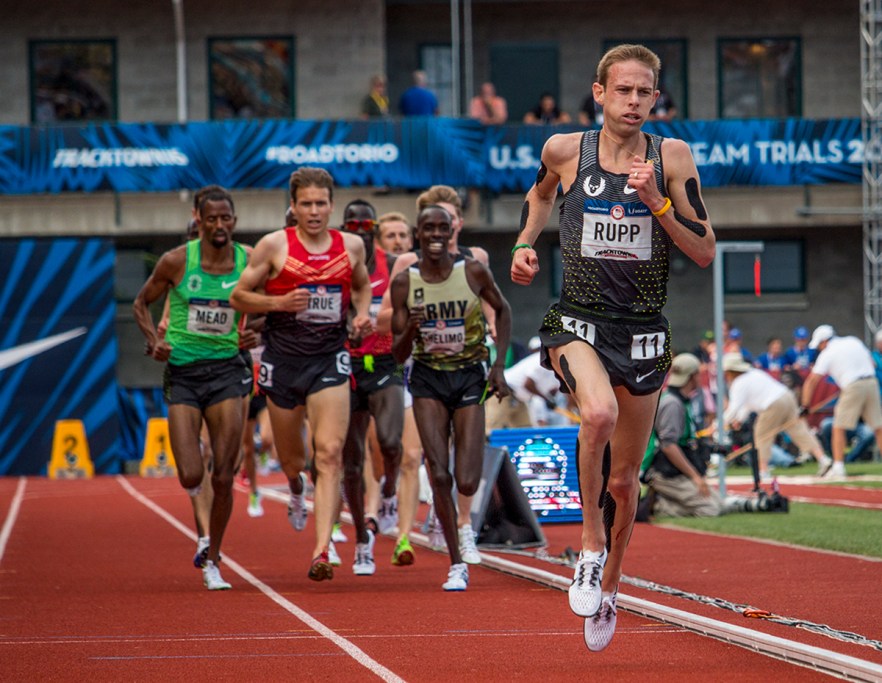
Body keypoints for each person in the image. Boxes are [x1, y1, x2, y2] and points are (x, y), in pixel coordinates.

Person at [510, 43, 716, 652]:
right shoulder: (565, 150)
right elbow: (543, 193)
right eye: (621, 90)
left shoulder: (671, 157)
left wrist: (656, 202)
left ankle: (613, 585)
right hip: (578, 320)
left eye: (643, 92)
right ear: (599, 93)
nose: (633, 101)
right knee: (595, 413)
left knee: (626, 480)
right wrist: (525, 241)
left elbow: (705, 250)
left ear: (656, 98)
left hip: (644, 331)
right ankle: (590, 545)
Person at [230, 167, 373, 581]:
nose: (314, 211)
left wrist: (361, 314)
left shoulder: (351, 246)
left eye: (321, 203)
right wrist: (279, 305)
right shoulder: (274, 246)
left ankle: (321, 548)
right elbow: (239, 296)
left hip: (329, 359)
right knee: (293, 459)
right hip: (282, 363)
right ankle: (295, 487)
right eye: (306, 204)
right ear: (292, 206)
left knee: (329, 455)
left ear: (331, 205)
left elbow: (361, 286)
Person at [133, 186, 254, 591]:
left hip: (227, 373)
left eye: (226, 219)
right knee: (189, 473)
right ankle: (203, 529)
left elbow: (271, 304)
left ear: (234, 221)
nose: (220, 226)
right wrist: (154, 342)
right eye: (212, 219)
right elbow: (139, 303)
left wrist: (253, 331)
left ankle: (213, 556)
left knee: (224, 474)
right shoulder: (177, 261)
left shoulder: (248, 261)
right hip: (183, 372)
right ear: (198, 220)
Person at [390, 204, 512, 591]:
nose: (437, 235)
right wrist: (410, 329)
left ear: (452, 231)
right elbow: (396, 353)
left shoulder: (472, 269)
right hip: (427, 378)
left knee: (468, 479)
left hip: (470, 376)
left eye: (444, 227)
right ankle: (457, 563)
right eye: (429, 228)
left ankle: (459, 528)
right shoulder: (405, 281)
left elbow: (503, 310)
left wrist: (498, 368)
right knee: (438, 472)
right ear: (418, 233)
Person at [338, 198, 404, 575]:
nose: (359, 228)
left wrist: (376, 319)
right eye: (352, 223)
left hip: (383, 361)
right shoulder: (335, 264)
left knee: (391, 443)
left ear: (374, 228)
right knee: (351, 460)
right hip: (345, 364)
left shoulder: (392, 265)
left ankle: (390, 492)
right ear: (344, 226)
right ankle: (363, 540)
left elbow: (406, 308)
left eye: (366, 224)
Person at [721, 352, 831, 481]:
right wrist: (738, 420)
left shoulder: (738, 383)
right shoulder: (754, 373)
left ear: (730, 371)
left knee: (761, 435)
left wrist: (719, 424)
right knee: (799, 430)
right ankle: (823, 459)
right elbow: (746, 406)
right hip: (787, 397)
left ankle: (763, 471)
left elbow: (734, 408)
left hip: (772, 404)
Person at [800, 325, 882, 478]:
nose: (819, 348)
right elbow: (873, 364)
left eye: (819, 345)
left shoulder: (827, 353)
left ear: (824, 341)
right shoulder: (853, 340)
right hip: (871, 383)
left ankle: (838, 467)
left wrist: (805, 406)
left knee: (838, 427)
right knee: (878, 427)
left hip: (853, 386)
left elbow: (812, 381)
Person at [484, 336, 562, 432]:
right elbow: (528, 384)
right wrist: (546, 398)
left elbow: (553, 388)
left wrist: (550, 397)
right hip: (503, 390)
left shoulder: (558, 368)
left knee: (525, 429)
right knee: (492, 429)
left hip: (519, 398)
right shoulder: (542, 359)